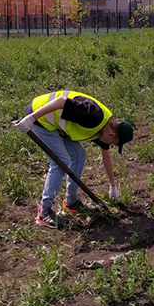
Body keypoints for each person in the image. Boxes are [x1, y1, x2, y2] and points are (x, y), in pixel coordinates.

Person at [14, 90, 134, 228]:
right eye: (113, 143)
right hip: (39, 117)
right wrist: (31, 118)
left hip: (56, 125)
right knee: (60, 160)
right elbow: (62, 101)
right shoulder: (93, 115)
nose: (109, 145)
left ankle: (71, 203)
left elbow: (106, 155)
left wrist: (113, 186)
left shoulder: (104, 130)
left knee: (79, 154)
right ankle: (44, 213)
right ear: (112, 134)